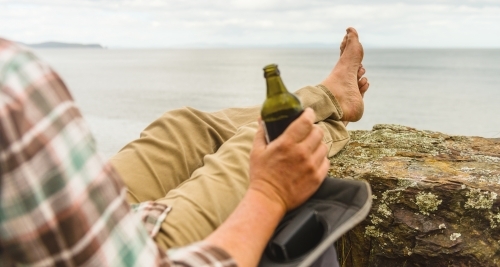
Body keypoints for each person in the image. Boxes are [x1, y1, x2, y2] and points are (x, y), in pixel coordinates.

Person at [0, 28, 368, 267]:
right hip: (127, 253)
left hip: (71, 230)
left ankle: (326, 97)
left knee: (182, 126)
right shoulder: (12, 86)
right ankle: (333, 104)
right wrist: (270, 193)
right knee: (259, 147)